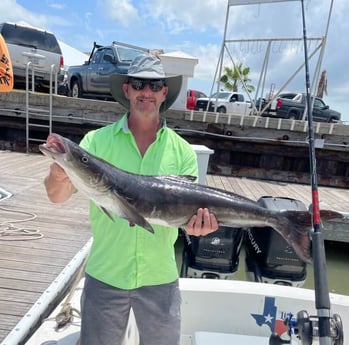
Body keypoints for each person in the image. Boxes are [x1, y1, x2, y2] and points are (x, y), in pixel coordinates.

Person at [44, 54, 218, 345]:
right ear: (127, 90)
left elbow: (187, 218)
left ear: (164, 92)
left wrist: (198, 227)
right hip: (105, 275)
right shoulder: (95, 142)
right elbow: (56, 196)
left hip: (159, 277)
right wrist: (60, 174)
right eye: (139, 84)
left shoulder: (183, 152)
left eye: (154, 85)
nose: (146, 92)